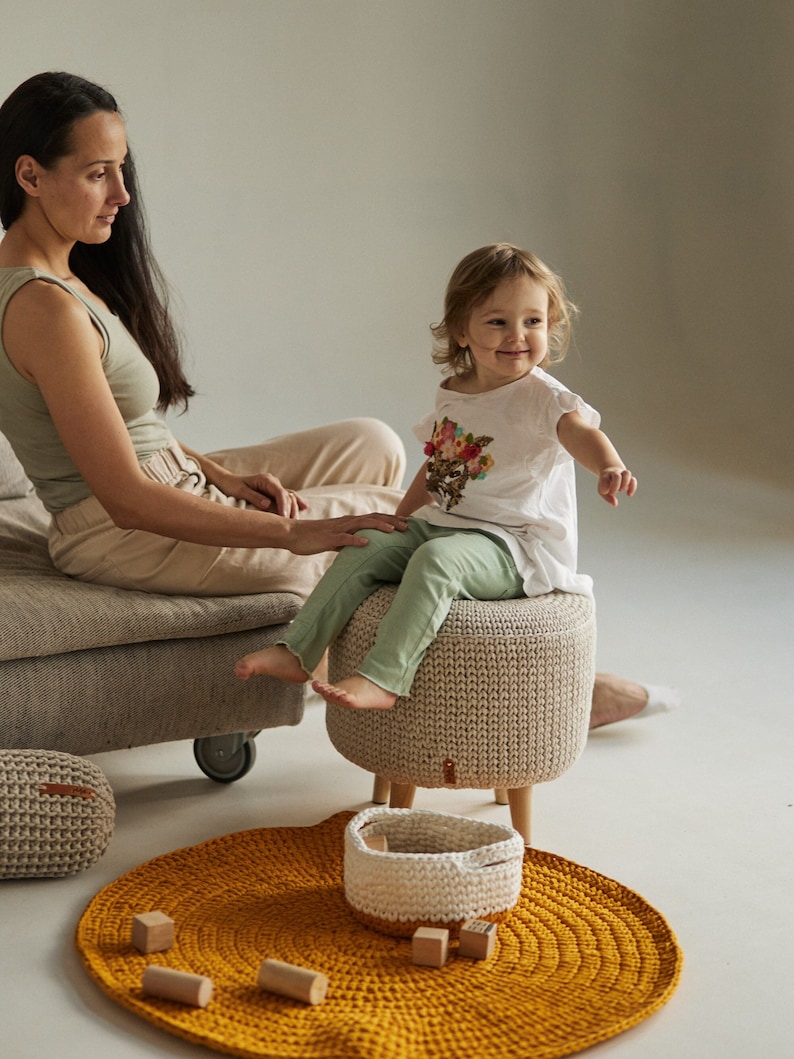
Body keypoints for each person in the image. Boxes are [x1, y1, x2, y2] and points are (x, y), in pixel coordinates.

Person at [0, 71, 409, 612]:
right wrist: (293, 535)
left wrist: (224, 477)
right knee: (397, 521)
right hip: (122, 534)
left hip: (171, 476)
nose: (122, 194)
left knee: (372, 443)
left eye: (121, 169)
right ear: (30, 175)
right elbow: (126, 500)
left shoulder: (62, 280)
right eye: (99, 174)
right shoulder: (43, 309)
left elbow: (125, 429)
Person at [235, 244, 673, 726]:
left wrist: (608, 465)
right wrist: (400, 518)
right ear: (462, 330)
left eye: (533, 321)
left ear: (550, 326)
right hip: (446, 523)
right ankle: (298, 651)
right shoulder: (455, 393)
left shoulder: (541, 396)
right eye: (497, 322)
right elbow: (438, 464)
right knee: (366, 543)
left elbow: (581, 433)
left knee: (436, 561)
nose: (517, 337)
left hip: (513, 546)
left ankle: (384, 677)